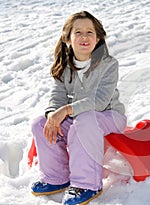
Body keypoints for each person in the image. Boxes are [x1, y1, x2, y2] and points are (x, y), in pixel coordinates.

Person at [31, 11, 126, 205]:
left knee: (84, 121)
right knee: (40, 123)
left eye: (90, 32)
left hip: (109, 115)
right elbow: (57, 97)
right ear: (68, 38)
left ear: (98, 37)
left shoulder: (108, 64)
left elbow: (99, 101)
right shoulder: (63, 66)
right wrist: (52, 115)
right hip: (78, 117)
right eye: (78, 32)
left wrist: (65, 111)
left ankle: (87, 184)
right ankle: (56, 177)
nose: (84, 37)